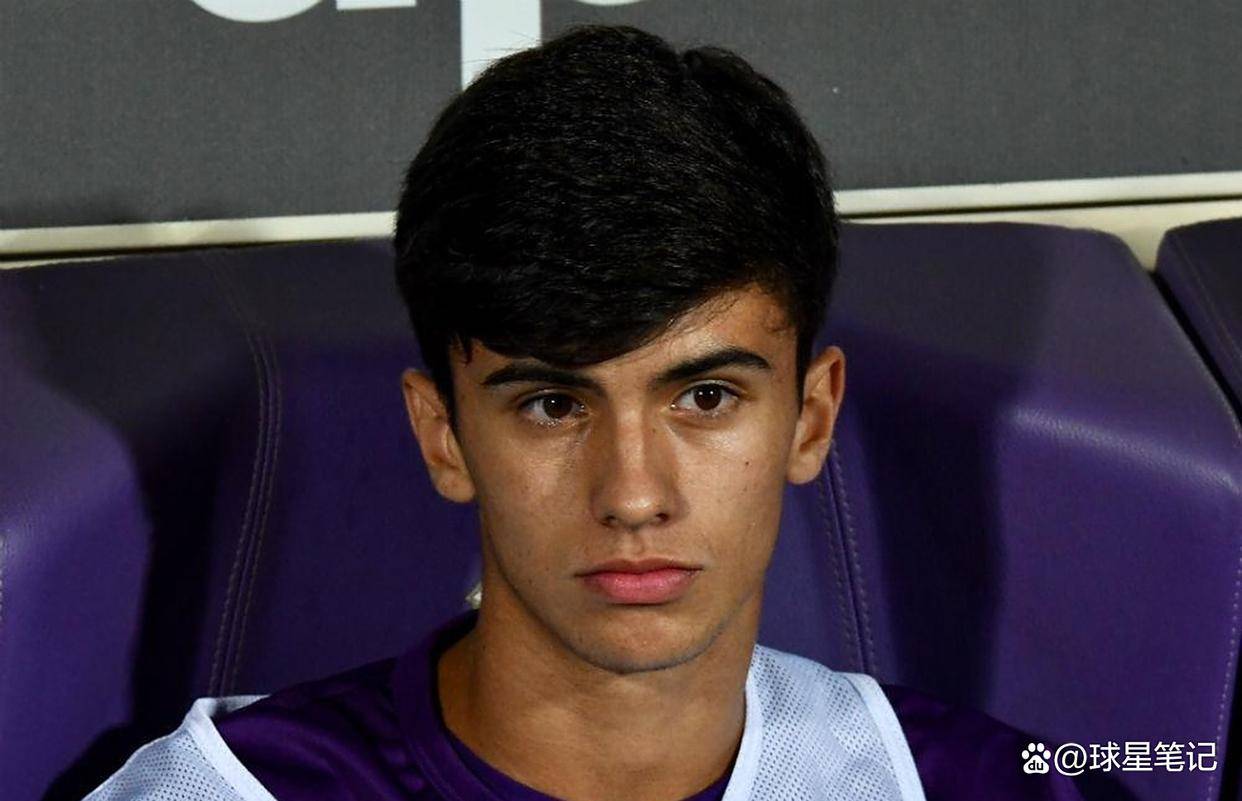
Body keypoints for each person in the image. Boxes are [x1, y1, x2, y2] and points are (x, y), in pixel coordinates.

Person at [86, 24, 1083, 801]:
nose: (633, 494)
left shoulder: (982, 785)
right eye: (555, 403)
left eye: (705, 397)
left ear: (811, 418)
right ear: (444, 435)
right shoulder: (227, 790)